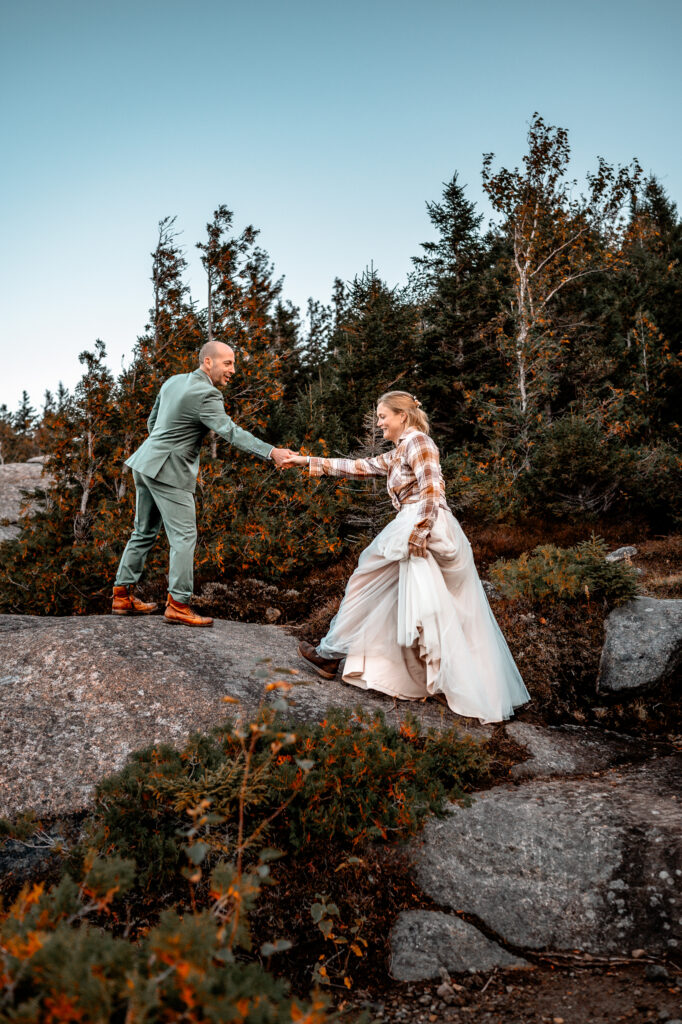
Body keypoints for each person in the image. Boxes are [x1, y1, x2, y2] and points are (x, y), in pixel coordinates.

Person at [285, 391, 530, 724]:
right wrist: (304, 461)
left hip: (421, 523)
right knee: (425, 605)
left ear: (402, 415)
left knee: (369, 582)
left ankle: (330, 654)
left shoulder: (420, 443)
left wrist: (420, 530)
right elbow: (360, 466)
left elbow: (433, 489)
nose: (379, 423)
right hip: (418, 523)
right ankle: (349, 658)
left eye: (383, 416)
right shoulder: (402, 449)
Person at [112, 341, 297, 627]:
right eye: (228, 363)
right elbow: (231, 432)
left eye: (233, 363)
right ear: (207, 362)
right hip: (168, 471)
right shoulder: (207, 394)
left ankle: (122, 595)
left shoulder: (173, 382)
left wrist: (165, 444)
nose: (233, 370)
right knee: (184, 537)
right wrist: (272, 452)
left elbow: (152, 423)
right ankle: (178, 604)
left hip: (144, 462)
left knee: (143, 531)